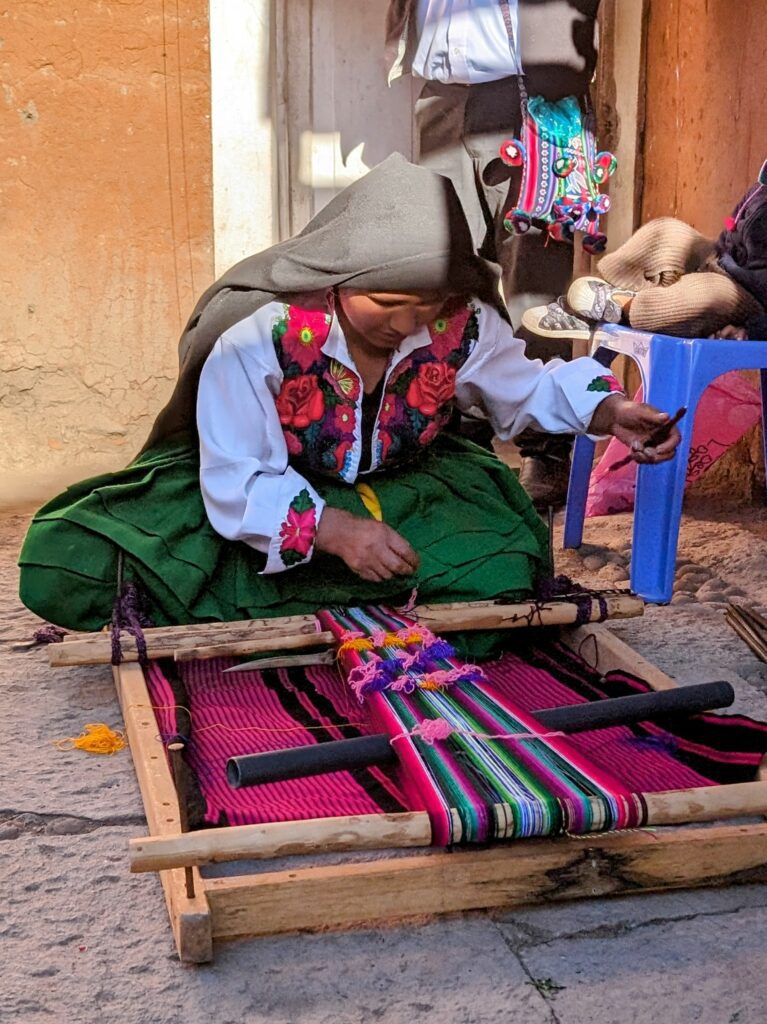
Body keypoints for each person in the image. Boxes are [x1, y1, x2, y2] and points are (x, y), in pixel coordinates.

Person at [18, 155, 679, 637]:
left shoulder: (460, 323)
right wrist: (332, 531)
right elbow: (234, 477)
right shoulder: (259, 338)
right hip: (256, 495)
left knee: (505, 559)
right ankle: (353, 595)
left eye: (429, 305)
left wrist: (612, 410)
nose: (406, 324)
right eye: (386, 303)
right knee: (67, 564)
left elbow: (527, 385)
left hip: (399, 489)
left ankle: (292, 605)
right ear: (335, 280)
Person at [385, 0, 602, 505]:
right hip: (442, 97)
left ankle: (546, 451)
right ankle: (463, 441)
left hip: (535, 97)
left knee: (535, 282)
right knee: (446, 270)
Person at [522, 162, 767, 342]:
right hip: (723, 259)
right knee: (665, 233)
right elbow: (734, 225)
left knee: (708, 296)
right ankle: (608, 299)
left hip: (749, 299)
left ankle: (621, 308)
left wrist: (751, 331)